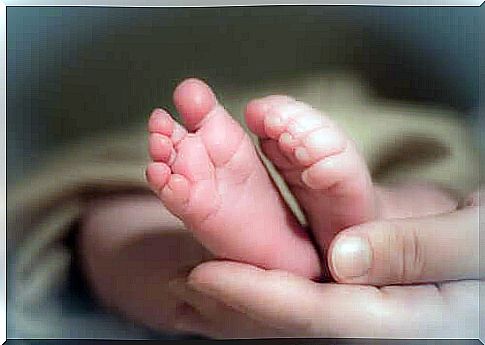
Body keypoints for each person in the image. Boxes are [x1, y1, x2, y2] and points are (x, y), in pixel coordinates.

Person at [10, 73, 479, 339]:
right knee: (433, 192)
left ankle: (226, 265)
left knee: (115, 223)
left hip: (357, 114)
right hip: (372, 123)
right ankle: (375, 214)